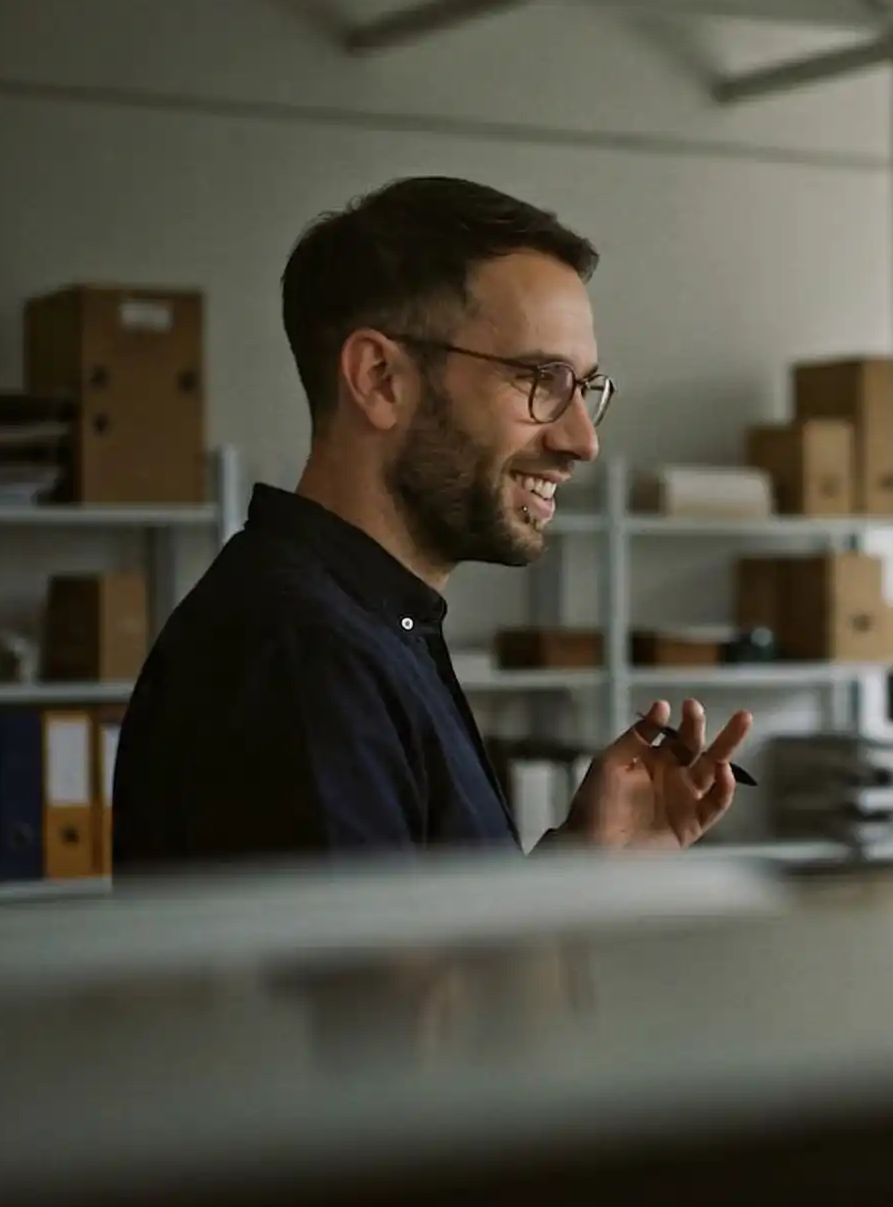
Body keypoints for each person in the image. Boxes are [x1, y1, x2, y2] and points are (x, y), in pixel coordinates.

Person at [114, 176, 749, 870]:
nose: (581, 440)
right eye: (541, 379)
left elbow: (436, 963)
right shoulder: (302, 658)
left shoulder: (376, 628)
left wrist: (585, 866)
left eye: (585, 389)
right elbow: (375, 983)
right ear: (381, 379)